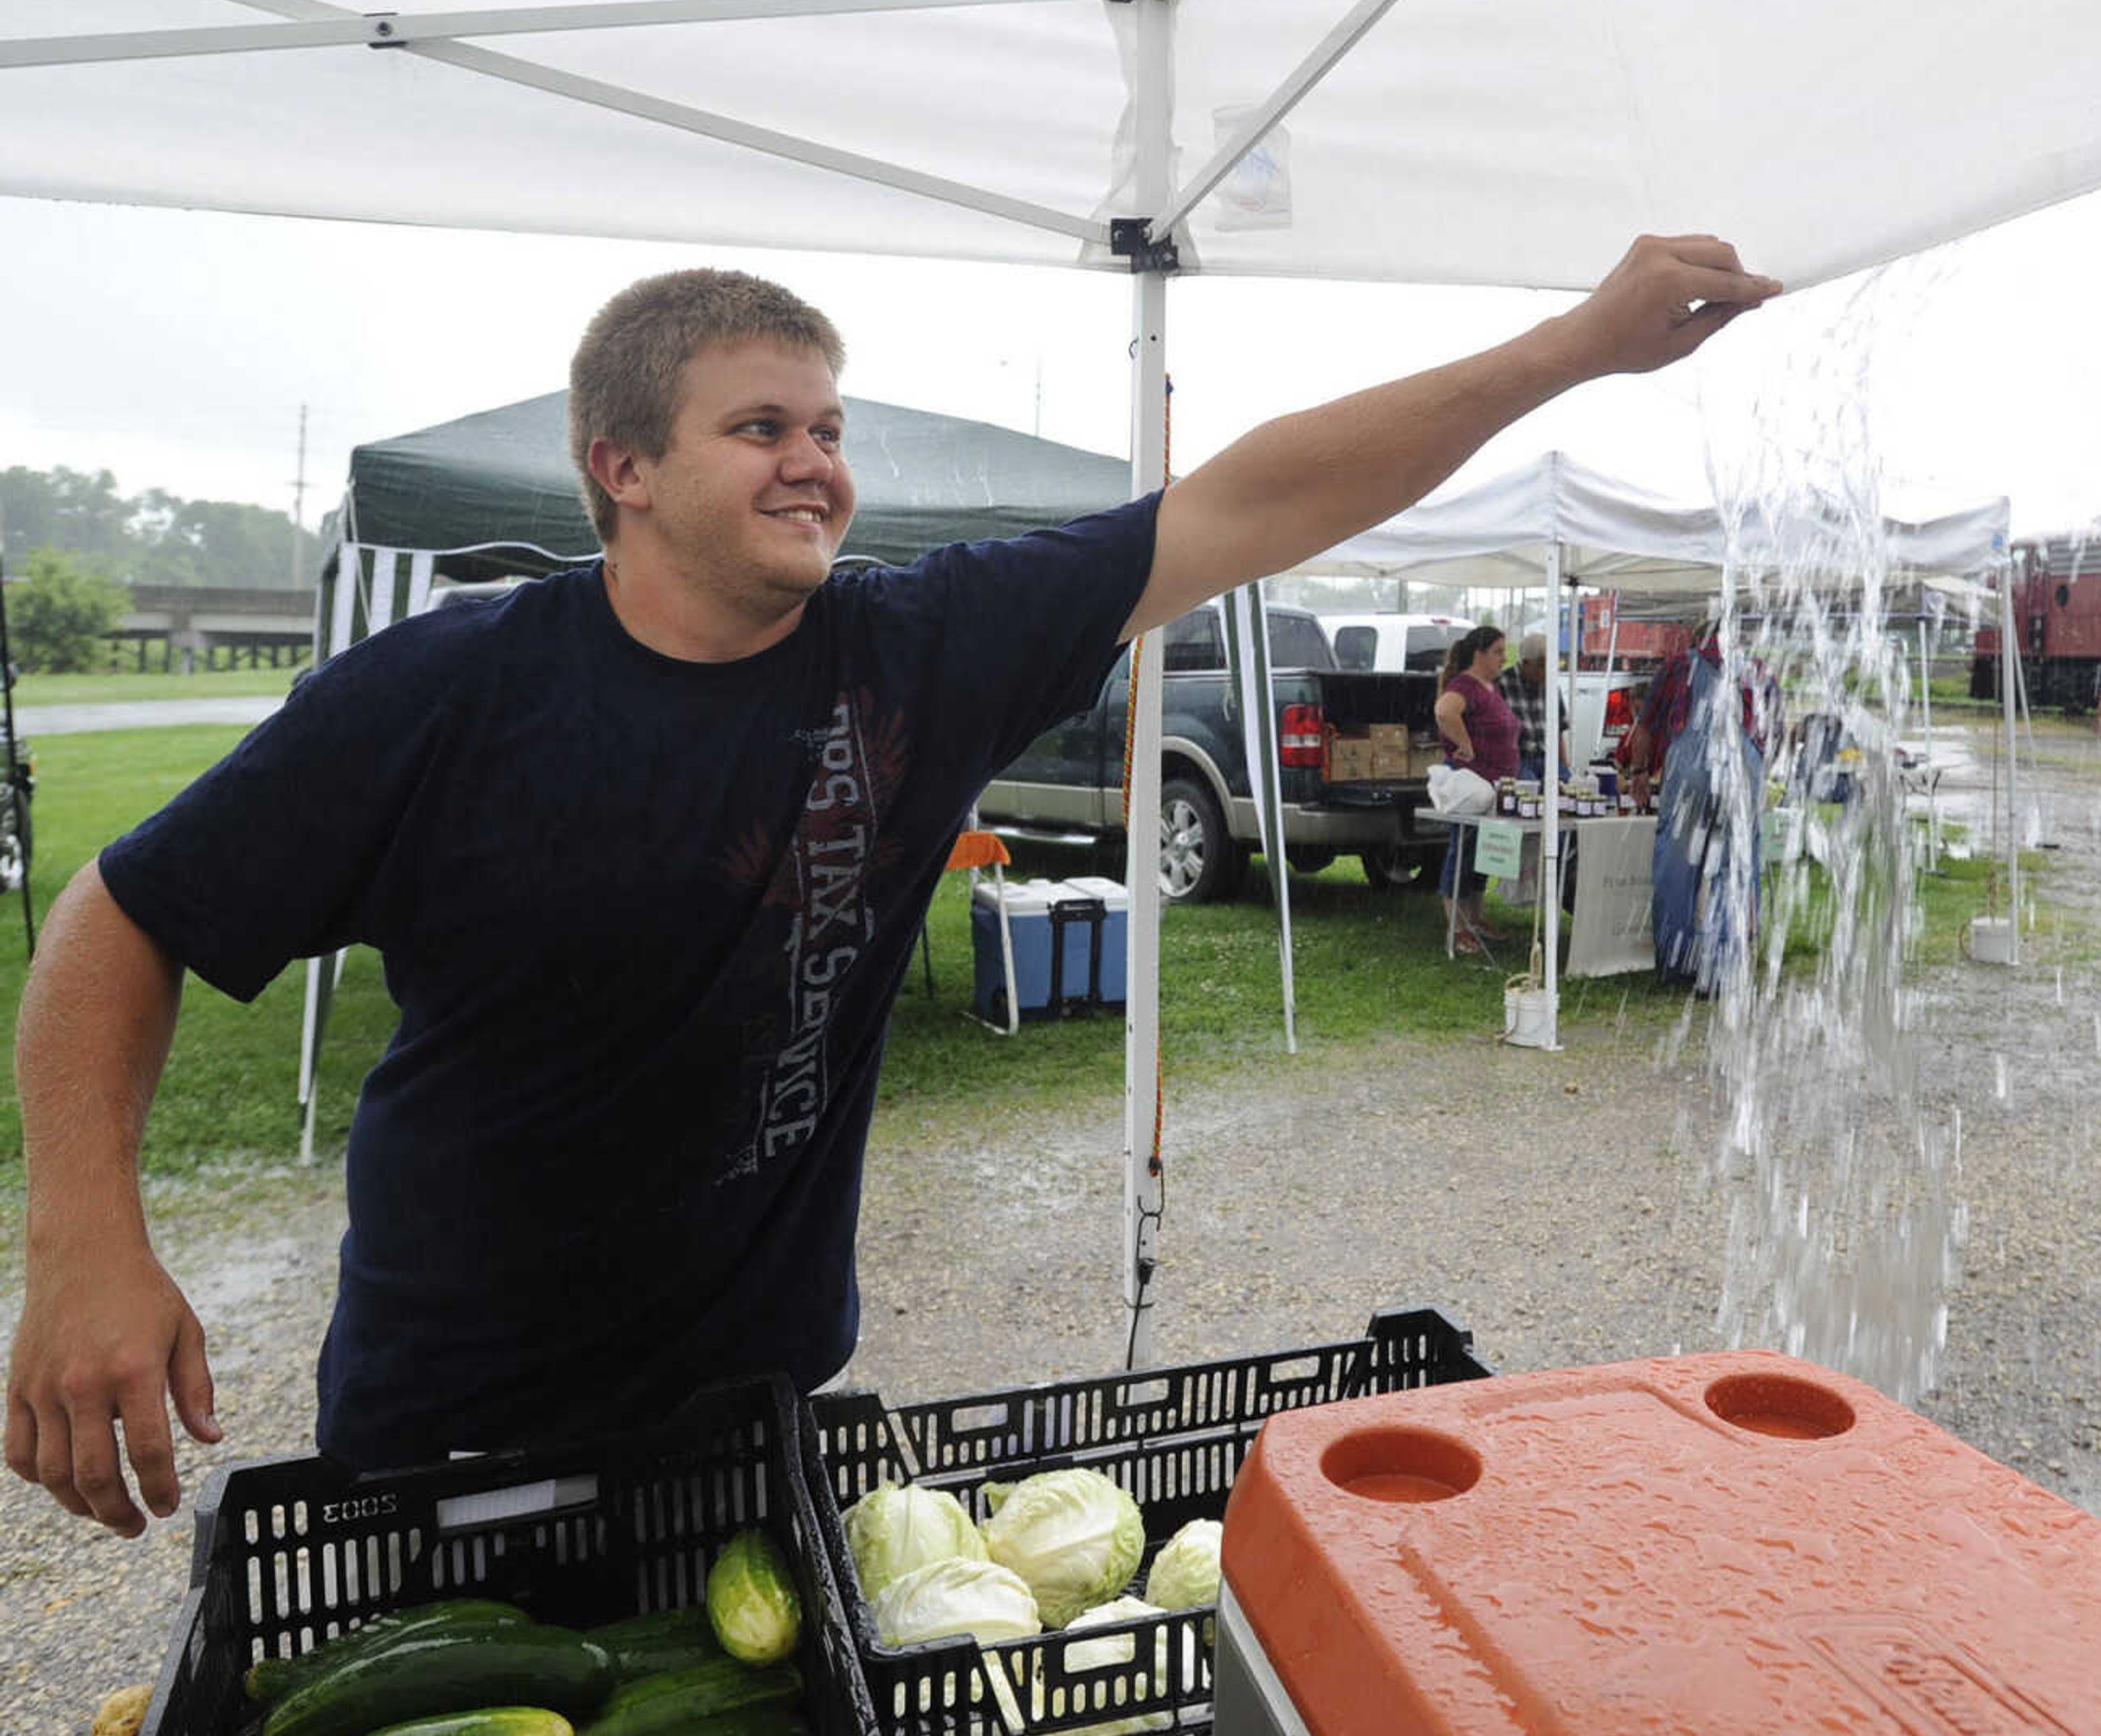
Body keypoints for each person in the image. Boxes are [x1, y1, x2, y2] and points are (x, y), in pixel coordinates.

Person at [5, 233, 1780, 1535]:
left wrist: (1571, 346)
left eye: (829, 425)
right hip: (460, 1430)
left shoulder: (915, 652)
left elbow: (1254, 498)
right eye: (758, 425)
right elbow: (130, 915)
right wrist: (86, 1235)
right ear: (621, 471)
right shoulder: (453, 691)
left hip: (763, 1411)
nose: (817, 461)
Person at [1619, 622, 1766, 986]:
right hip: (1743, 775)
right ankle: (1722, 971)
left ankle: (1676, 965)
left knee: (1677, 871)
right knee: (1732, 872)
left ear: (1703, 637)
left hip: (1690, 775)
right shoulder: (1758, 672)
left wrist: (1638, 773)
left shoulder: (1678, 667)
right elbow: (1771, 732)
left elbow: (1646, 730)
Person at [1431, 626, 1520, 954]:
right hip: (1472, 785)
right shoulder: (1464, 685)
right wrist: (1465, 744)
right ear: (1479, 654)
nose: (1504, 658)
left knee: (1483, 855)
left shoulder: (1490, 687)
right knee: (1463, 851)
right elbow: (1444, 712)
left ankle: (1476, 919)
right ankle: (1457, 927)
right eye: (1498, 651)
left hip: (1496, 784)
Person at [1494, 632, 1572, 785]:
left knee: (1566, 790)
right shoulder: (1501, 683)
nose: (1548, 671)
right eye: (1542, 665)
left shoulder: (1551, 686)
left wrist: (1564, 764)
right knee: (1529, 793)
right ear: (1526, 663)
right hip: (1518, 759)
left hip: (1548, 757)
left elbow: (1558, 730)